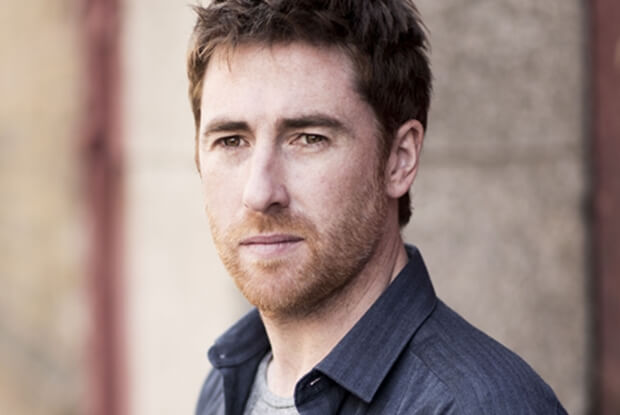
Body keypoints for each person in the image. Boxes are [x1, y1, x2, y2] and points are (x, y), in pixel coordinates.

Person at [187, 1, 567, 414]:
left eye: (309, 138)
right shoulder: (226, 384)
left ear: (399, 159)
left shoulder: (478, 406)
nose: (260, 193)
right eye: (231, 141)